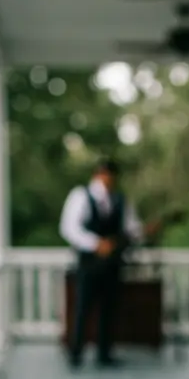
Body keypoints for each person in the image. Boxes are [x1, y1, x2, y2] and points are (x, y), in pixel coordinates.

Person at [59, 157, 143, 367]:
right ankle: (76, 351)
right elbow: (69, 228)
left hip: (113, 263)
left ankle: (104, 353)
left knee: (109, 307)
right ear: (97, 174)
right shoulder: (81, 196)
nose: (107, 179)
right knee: (83, 307)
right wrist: (96, 244)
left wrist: (141, 234)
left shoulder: (121, 200)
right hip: (89, 262)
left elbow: (132, 228)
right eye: (104, 174)